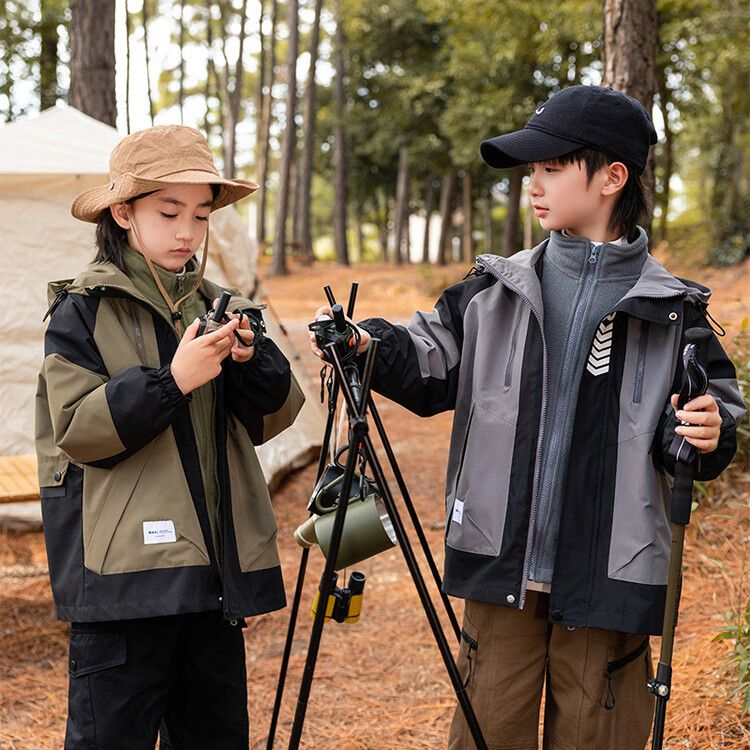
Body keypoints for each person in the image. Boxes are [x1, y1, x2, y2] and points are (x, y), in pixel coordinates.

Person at [308, 85, 746, 749]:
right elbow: (427, 358)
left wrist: (711, 431)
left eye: (550, 169)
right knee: (487, 732)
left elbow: (711, 424)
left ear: (611, 178)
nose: (531, 187)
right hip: (501, 560)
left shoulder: (675, 313)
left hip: (612, 574)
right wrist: (365, 342)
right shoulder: (493, 291)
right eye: (529, 173)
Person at [36, 124, 304, 749]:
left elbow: (275, 417)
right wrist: (171, 381)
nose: (188, 231)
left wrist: (250, 362)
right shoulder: (84, 309)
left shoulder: (220, 305)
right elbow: (76, 429)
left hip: (212, 585)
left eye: (201, 215)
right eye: (169, 211)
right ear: (124, 213)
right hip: (122, 587)